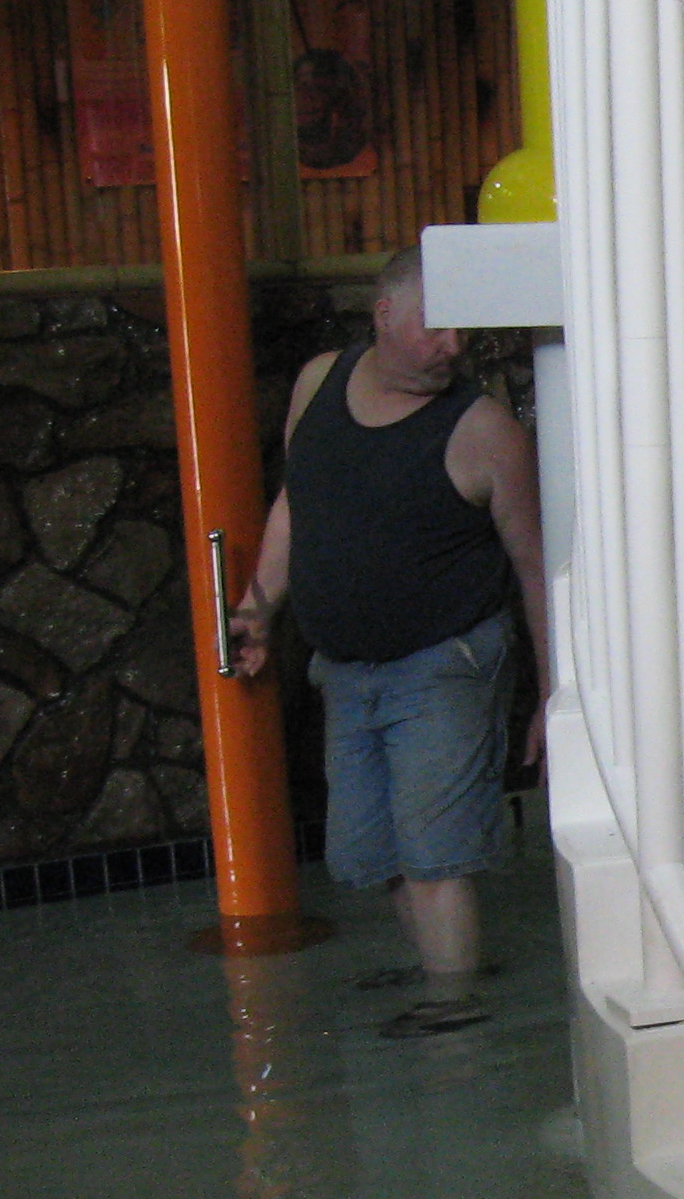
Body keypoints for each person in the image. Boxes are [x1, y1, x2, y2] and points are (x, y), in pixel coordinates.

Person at [229, 248, 548, 1034]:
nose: (452, 346)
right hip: (345, 669)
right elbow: (296, 504)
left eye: (461, 330)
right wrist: (259, 606)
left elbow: (534, 566)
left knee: (435, 855)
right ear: (382, 314)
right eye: (435, 327)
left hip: (446, 665)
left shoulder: (484, 432)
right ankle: (449, 970)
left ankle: (456, 1009)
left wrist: (552, 693)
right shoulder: (319, 382)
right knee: (370, 854)